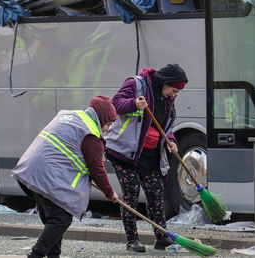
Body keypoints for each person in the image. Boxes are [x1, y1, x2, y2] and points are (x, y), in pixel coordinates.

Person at [13, 95, 120, 258]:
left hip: (31, 170)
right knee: (61, 219)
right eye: (108, 124)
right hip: (46, 175)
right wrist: (110, 193)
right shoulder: (91, 135)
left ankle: (53, 256)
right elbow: (97, 169)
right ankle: (35, 255)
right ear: (102, 118)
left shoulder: (71, 116)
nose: (108, 129)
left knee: (54, 220)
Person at [104, 64, 187, 253]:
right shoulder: (136, 84)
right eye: (173, 90)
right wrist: (134, 104)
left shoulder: (167, 99)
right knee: (131, 194)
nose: (174, 95)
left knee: (155, 194)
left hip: (149, 155)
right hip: (125, 153)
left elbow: (166, 127)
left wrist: (170, 141)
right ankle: (132, 239)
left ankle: (161, 237)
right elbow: (114, 104)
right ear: (165, 83)